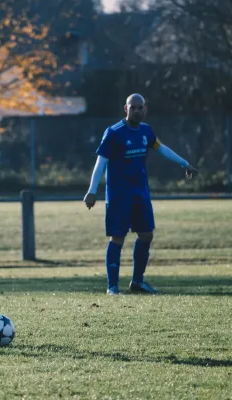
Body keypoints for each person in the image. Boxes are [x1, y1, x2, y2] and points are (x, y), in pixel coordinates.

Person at [83, 94, 197, 296]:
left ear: (145, 109)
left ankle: (137, 281)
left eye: (139, 107)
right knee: (117, 237)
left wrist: (184, 163)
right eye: (132, 107)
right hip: (119, 195)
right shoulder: (114, 133)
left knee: (146, 234)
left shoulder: (146, 131)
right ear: (125, 109)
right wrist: (92, 191)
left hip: (140, 193)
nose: (136, 111)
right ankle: (112, 287)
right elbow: (101, 163)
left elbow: (162, 149)